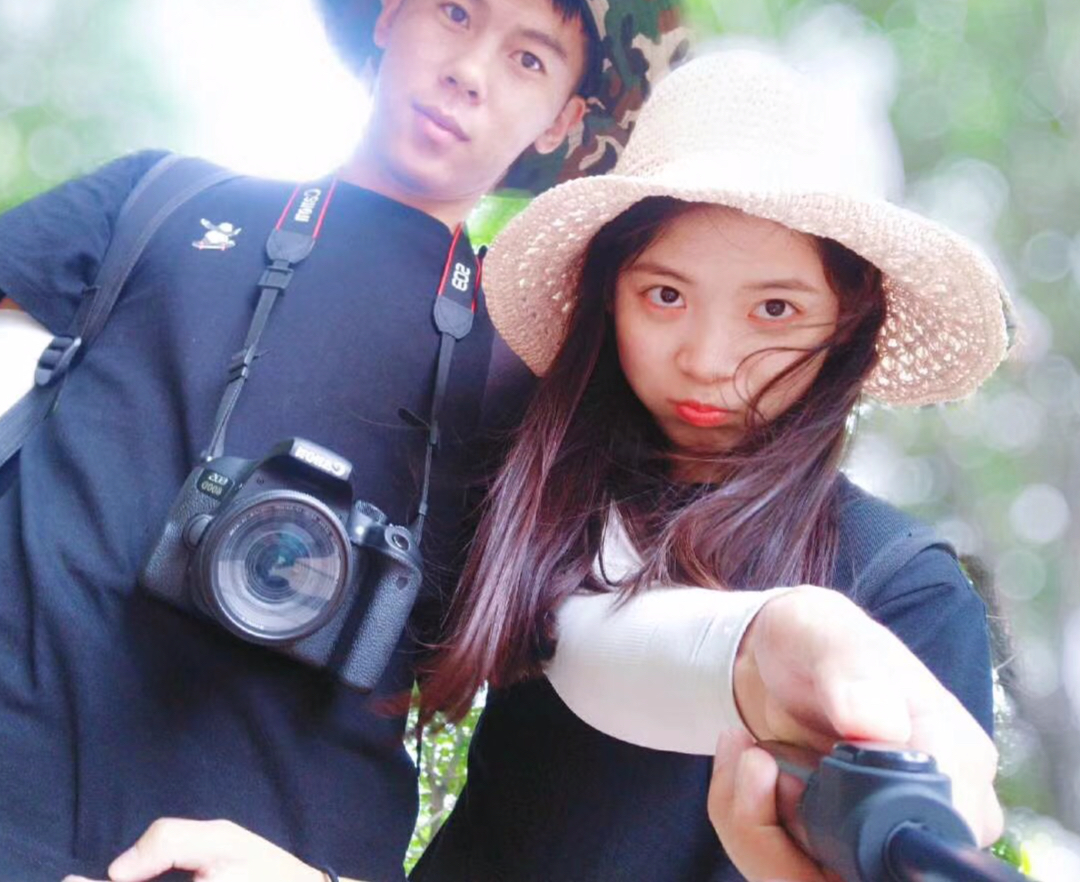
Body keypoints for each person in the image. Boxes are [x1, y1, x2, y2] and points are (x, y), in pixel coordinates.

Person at [73, 51, 1012, 882]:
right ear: (609, 297)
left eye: (775, 310)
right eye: (666, 294)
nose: (707, 359)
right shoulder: (545, 509)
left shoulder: (901, 590)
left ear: (848, 321)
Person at [0, 0, 687, 881]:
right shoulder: (162, 201)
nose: (470, 70)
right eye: (454, 11)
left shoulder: (536, 382)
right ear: (391, 7)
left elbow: (607, 653)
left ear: (559, 120)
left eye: (528, 59)